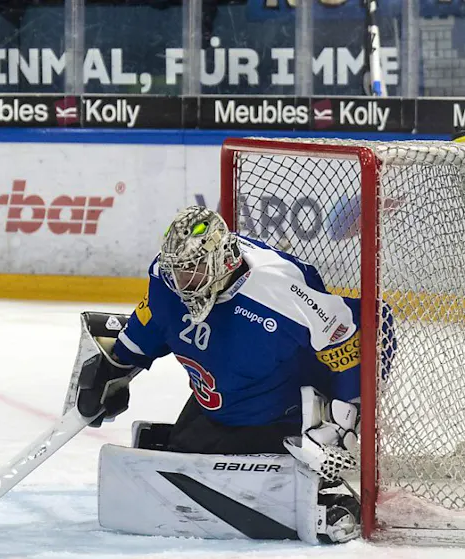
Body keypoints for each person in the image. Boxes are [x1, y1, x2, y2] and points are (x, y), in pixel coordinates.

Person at [71, 206, 369, 543]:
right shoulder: (166, 279)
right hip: (216, 408)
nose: (183, 282)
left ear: (224, 261)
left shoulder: (280, 293)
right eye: (178, 271)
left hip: (281, 420)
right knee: (187, 448)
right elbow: (152, 322)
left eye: (194, 270)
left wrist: (345, 415)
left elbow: (367, 326)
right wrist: (117, 365)